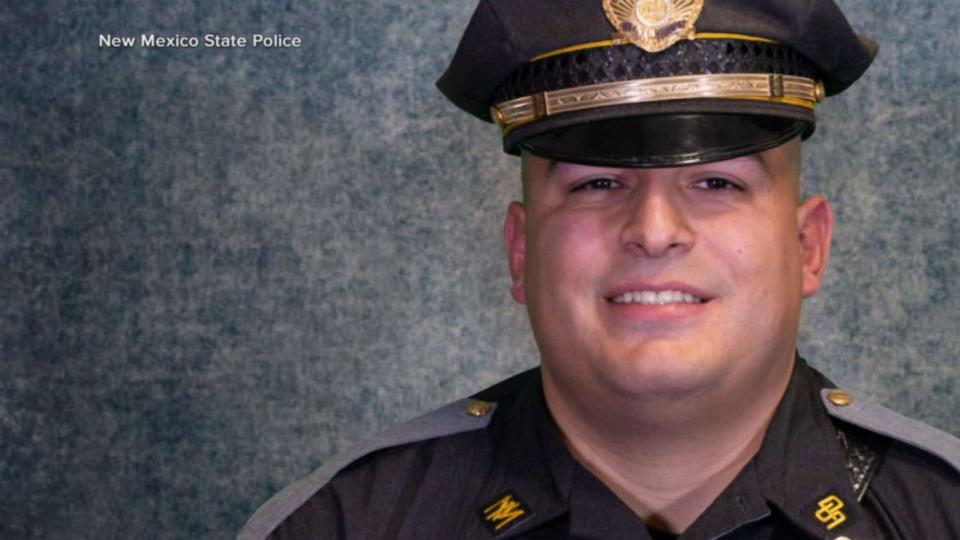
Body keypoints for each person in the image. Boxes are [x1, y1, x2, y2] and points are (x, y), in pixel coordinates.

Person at [240, 0, 960, 538]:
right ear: (521, 251)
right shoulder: (347, 525)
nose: (652, 230)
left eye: (718, 184)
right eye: (596, 184)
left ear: (809, 246)